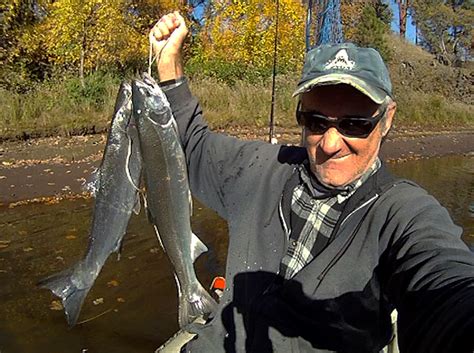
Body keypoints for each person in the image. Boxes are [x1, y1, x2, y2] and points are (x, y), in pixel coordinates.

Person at [149, 12, 474, 353]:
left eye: (355, 124)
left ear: (386, 118)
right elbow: (190, 146)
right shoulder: (259, 167)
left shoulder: (404, 214)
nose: (331, 143)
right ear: (300, 115)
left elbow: (444, 279)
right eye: (316, 121)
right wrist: (169, 65)